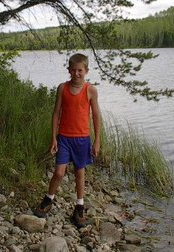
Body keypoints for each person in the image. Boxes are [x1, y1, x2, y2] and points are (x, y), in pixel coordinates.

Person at [33, 53, 101, 228]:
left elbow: (96, 115)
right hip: (64, 138)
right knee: (59, 173)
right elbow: (56, 113)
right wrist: (53, 138)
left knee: (80, 173)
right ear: (69, 70)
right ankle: (49, 199)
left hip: (82, 139)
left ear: (86, 70)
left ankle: (79, 206)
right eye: (73, 70)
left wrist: (97, 140)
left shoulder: (90, 90)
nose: (77, 73)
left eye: (80, 70)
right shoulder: (62, 88)